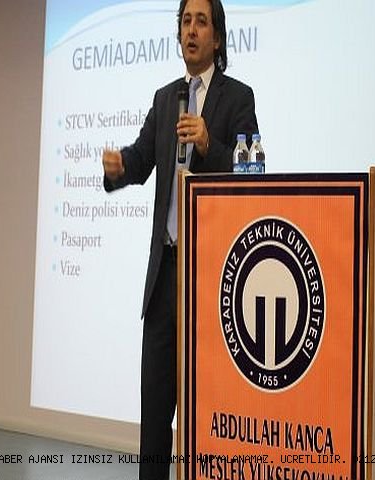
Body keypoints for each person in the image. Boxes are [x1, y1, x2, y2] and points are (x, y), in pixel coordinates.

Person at [102, 0, 258, 478]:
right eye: (186, 21)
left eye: (201, 22)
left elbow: (253, 174)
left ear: (217, 37)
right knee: (155, 419)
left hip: (211, 277)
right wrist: (119, 168)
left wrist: (210, 145)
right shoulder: (166, 98)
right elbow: (142, 158)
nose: (191, 30)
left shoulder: (238, 98)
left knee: (208, 414)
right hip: (166, 277)